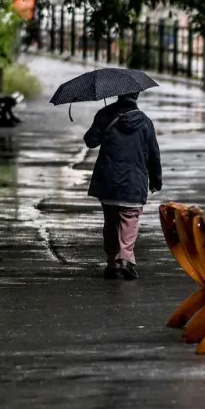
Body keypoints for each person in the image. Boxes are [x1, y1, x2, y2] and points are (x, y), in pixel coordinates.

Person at [83, 92, 162, 280]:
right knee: (129, 220)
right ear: (137, 96)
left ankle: (112, 261)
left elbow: (90, 141)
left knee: (111, 221)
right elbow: (153, 154)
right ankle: (124, 260)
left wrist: (102, 120)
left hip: (108, 180)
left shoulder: (106, 115)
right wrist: (156, 180)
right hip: (134, 182)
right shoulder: (145, 122)